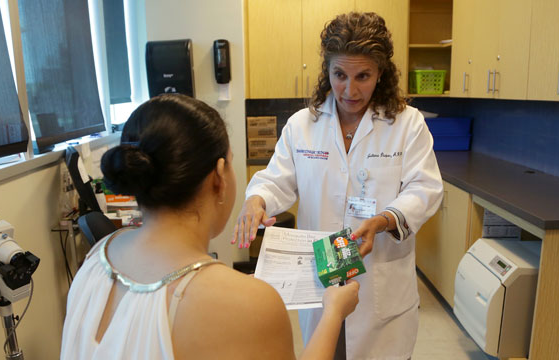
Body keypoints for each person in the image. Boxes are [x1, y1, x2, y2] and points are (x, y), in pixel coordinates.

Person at [60, 94, 360, 360]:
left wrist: (236, 287)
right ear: (219, 176)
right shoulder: (252, 304)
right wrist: (332, 312)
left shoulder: (96, 258)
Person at [233, 12, 443, 360]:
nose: (349, 89)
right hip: (319, 281)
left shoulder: (408, 124)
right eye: (339, 75)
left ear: (381, 73)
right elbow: (276, 180)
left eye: (363, 76)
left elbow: (425, 189)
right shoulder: (304, 125)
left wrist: (384, 220)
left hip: (381, 284)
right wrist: (256, 200)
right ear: (327, 71)